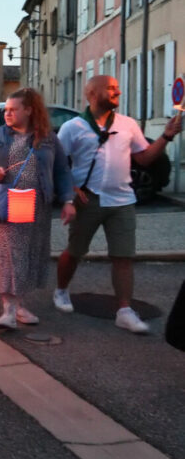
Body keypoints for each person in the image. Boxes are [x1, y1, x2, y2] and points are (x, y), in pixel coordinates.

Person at [54, 75, 182, 333]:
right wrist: (71, 190)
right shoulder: (73, 127)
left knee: (124, 257)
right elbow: (57, 164)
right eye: (111, 88)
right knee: (75, 251)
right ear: (92, 93)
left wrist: (166, 137)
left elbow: (144, 159)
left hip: (122, 199)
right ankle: (61, 290)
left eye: (117, 87)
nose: (118, 92)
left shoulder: (127, 124)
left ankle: (124, 310)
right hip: (88, 199)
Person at [0, 88, 75, 330]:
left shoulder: (47, 138)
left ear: (28, 110)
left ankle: (18, 306)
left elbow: (62, 170)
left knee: (29, 255)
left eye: (13, 109)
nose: (7, 114)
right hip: (4, 204)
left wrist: (69, 201)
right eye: (5, 110)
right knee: (9, 254)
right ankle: (8, 309)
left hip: (37, 205)